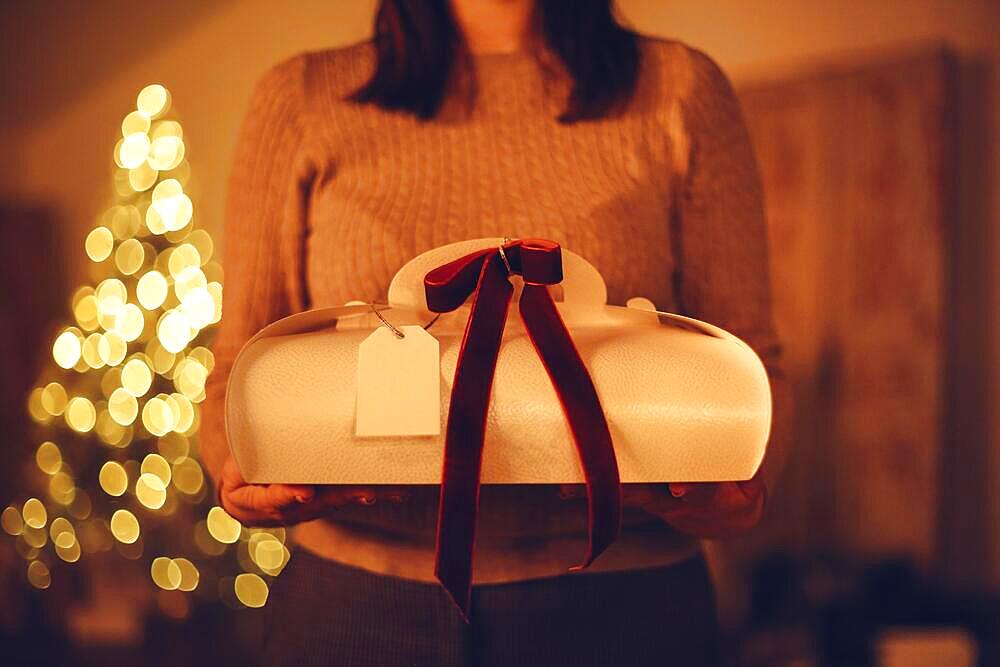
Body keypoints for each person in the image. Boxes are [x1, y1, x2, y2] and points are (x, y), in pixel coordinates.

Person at [199, 0, 793, 664]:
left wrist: (733, 490)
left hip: (624, 604)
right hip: (354, 607)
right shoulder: (301, 100)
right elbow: (239, 365)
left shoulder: (680, 89)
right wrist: (246, 468)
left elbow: (750, 361)